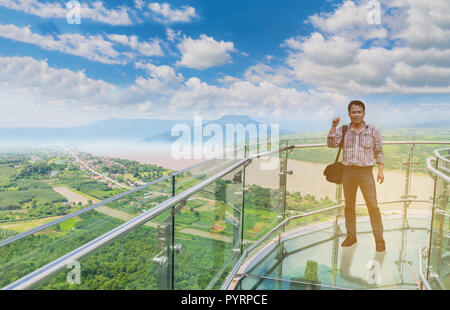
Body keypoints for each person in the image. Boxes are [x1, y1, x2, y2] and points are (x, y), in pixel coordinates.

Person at [327, 100, 386, 252]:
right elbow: (331, 144)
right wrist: (333, 126)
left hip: (366, 172)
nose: (356, 114)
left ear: (364, 113)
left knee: (372, 206)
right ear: (349, 114)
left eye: (359, 112)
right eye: (353, 112)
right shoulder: (344, 130)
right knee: (349, 206)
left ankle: (379, 240)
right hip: (347, 172)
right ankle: (351, 236)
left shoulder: (373, 130)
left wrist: (380, 169)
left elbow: (379, 151)